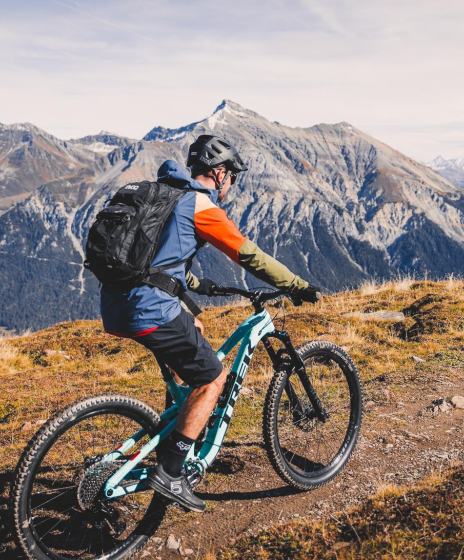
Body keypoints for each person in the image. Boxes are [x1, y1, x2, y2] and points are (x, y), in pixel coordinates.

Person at [100, 134, 320, 513]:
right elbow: (249, 254)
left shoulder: (165, 195)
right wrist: (296, 285)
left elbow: (157, 260)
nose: (231, 183)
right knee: (214, 378)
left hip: (116, 303)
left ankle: (175, 436)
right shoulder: (200, 205)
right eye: (232, 176)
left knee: (193, 333)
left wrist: (196, 290)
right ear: (219, 173)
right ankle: (171, 472)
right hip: (150, 308)